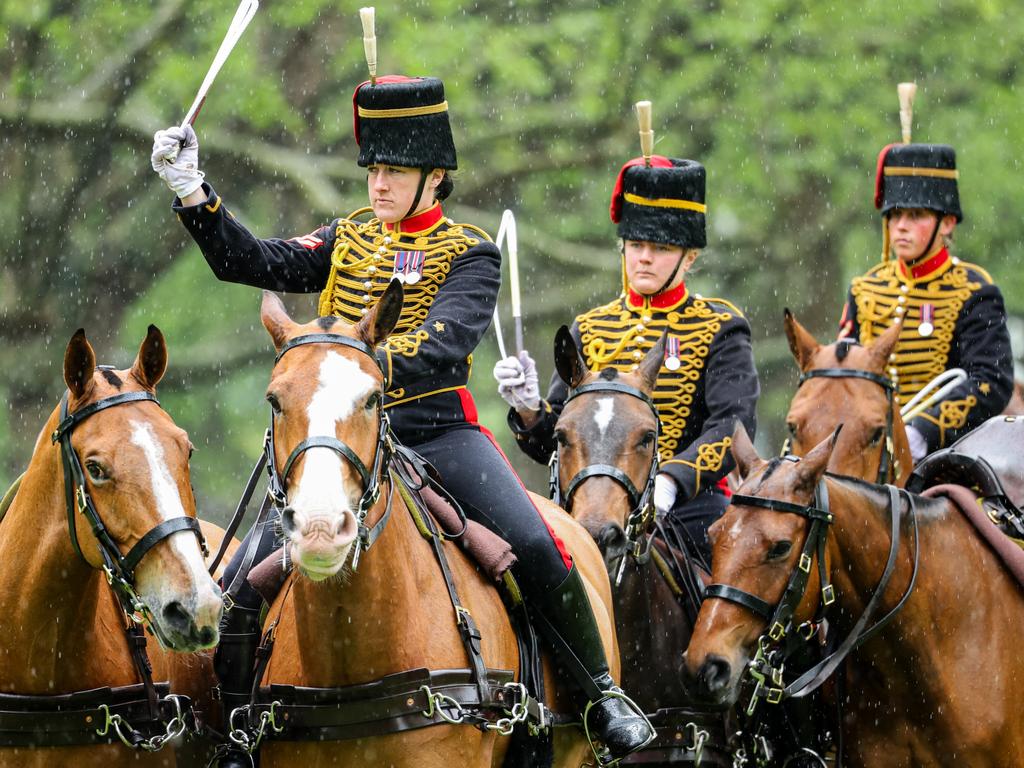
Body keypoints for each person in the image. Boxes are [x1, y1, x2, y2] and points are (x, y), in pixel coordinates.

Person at [151, 74, 654, 766]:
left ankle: (599, 696)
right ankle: (239, 726)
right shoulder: (347, 237)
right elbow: (252, 259)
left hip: (436, 433)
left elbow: (444, 344)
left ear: (435, 177)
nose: (379, 184)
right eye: (374, 170)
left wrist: (350, 365)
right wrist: (193, 194)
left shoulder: (470, 252)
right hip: (336, 437)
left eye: (395, 171)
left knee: (538, 549)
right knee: (239, 584)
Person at [494, 155, 759, 560]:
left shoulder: (719, 327)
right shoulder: (589, 327)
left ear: (689, 257)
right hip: (589, 509)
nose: (644, 258)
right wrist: (530, 411)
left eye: (661, 247)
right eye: (635, 245)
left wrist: (673, 478)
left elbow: (732, 426)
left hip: (687, 510)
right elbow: (558, 440)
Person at [837, 141, 1013, 463]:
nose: (901, 226)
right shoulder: (865, 288)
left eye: (915, 215)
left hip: (946, 453)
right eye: (895, 215)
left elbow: (991, 382)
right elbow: (841, 371)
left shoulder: (975, 291)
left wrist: (923, 431)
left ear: (946, 223)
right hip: (867, 451)